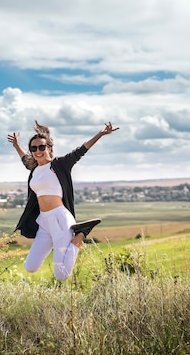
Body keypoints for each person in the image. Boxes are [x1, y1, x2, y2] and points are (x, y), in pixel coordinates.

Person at [7, 120, 119, 280]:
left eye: (41, 147)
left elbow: (81, 150)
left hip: (60, 219)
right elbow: (25, 159)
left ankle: (80, 234)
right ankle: (74, 236)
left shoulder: (59, 165)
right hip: (44, 222)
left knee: (62, 275)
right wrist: (16, 145)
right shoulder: (34, 168)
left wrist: (101, 134)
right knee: (30, 267)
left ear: (49, 148)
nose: (37, 151)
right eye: (34, 148)